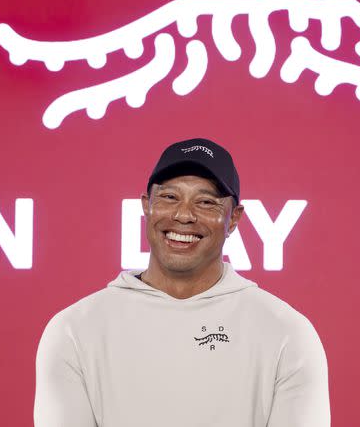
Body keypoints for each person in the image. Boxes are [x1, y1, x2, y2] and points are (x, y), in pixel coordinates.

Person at [34, 138, 331, 427]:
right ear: (146, 205)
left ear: (234, 219)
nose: (184, 215)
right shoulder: (73, 329)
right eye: (169, 197)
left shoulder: (287, 333)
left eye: (205, 202)